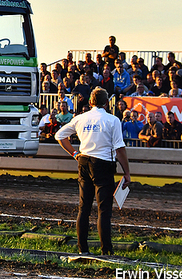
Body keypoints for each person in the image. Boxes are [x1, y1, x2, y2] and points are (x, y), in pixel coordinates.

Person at [55, 87, 131, 256]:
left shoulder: (80, 118)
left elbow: (59, 136)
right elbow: (120, 149)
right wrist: (127, 172)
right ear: (106, 103)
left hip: (83, 161)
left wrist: (74, 153)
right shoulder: (112, 120)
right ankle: (106, 250)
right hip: (103, 164)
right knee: (104, 210)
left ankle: (83, 249)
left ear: (90, 102)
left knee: (84, 208)